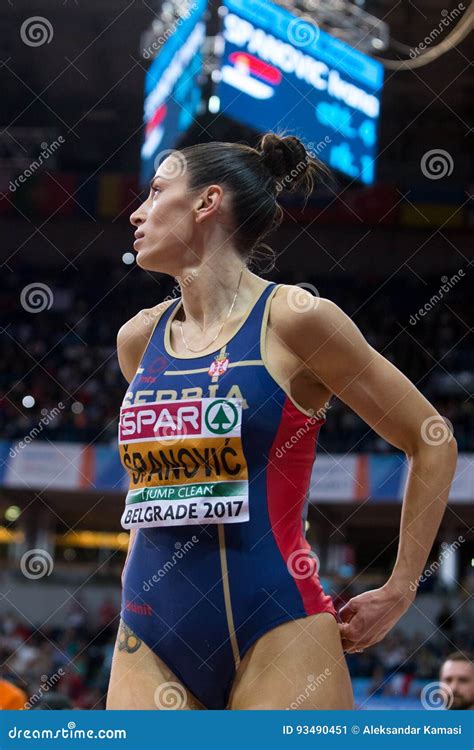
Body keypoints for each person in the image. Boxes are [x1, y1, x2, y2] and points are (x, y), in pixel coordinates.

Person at [106, 133, 458, 710]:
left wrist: (401, 590)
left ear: (205, 203)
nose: (137, 211)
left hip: (278, 623)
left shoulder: (297, 320)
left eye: (156, 191)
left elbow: (430, 438)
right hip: (147, 629)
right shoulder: (137, 341)